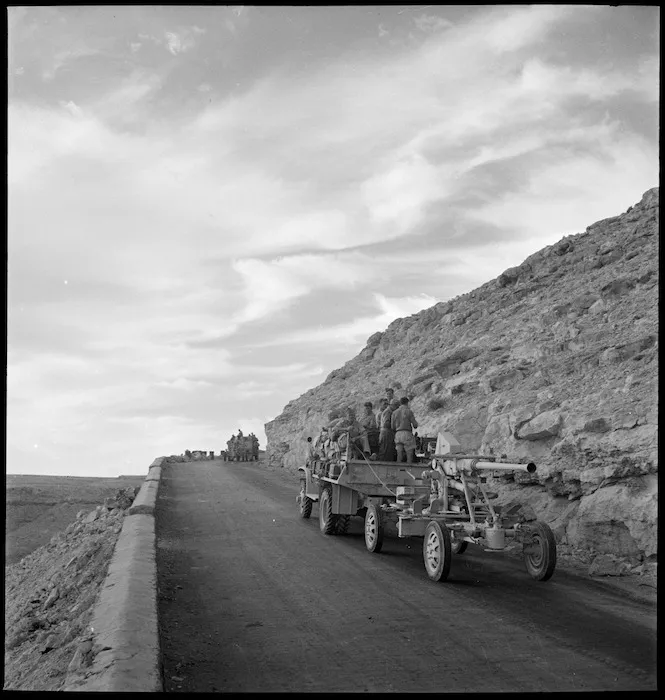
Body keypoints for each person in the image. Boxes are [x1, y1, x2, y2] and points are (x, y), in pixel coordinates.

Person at [391, 396, 419, 464]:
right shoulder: (409, 411)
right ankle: (409, 468)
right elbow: (415, 425)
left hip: (398, 434)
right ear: (407, 403)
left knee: (399, 453)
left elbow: (392, 427)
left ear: (400, 403)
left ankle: (398, 469)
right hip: (407, 433)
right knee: (409, 453)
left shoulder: (394, 412)